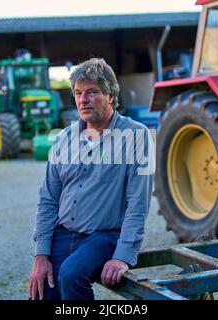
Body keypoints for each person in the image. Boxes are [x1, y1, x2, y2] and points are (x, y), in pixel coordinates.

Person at [28, 58, 154, 300]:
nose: (83, 99)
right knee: (41, 290)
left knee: (71, 274)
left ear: (110, 94)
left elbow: (138, 205)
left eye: (92, 92)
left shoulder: (137, 136)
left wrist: (122, 255)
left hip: (104, 235)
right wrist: (41, 253)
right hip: (64, 232)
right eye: (78, 93)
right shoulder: (64, 138)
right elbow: (48, 200)